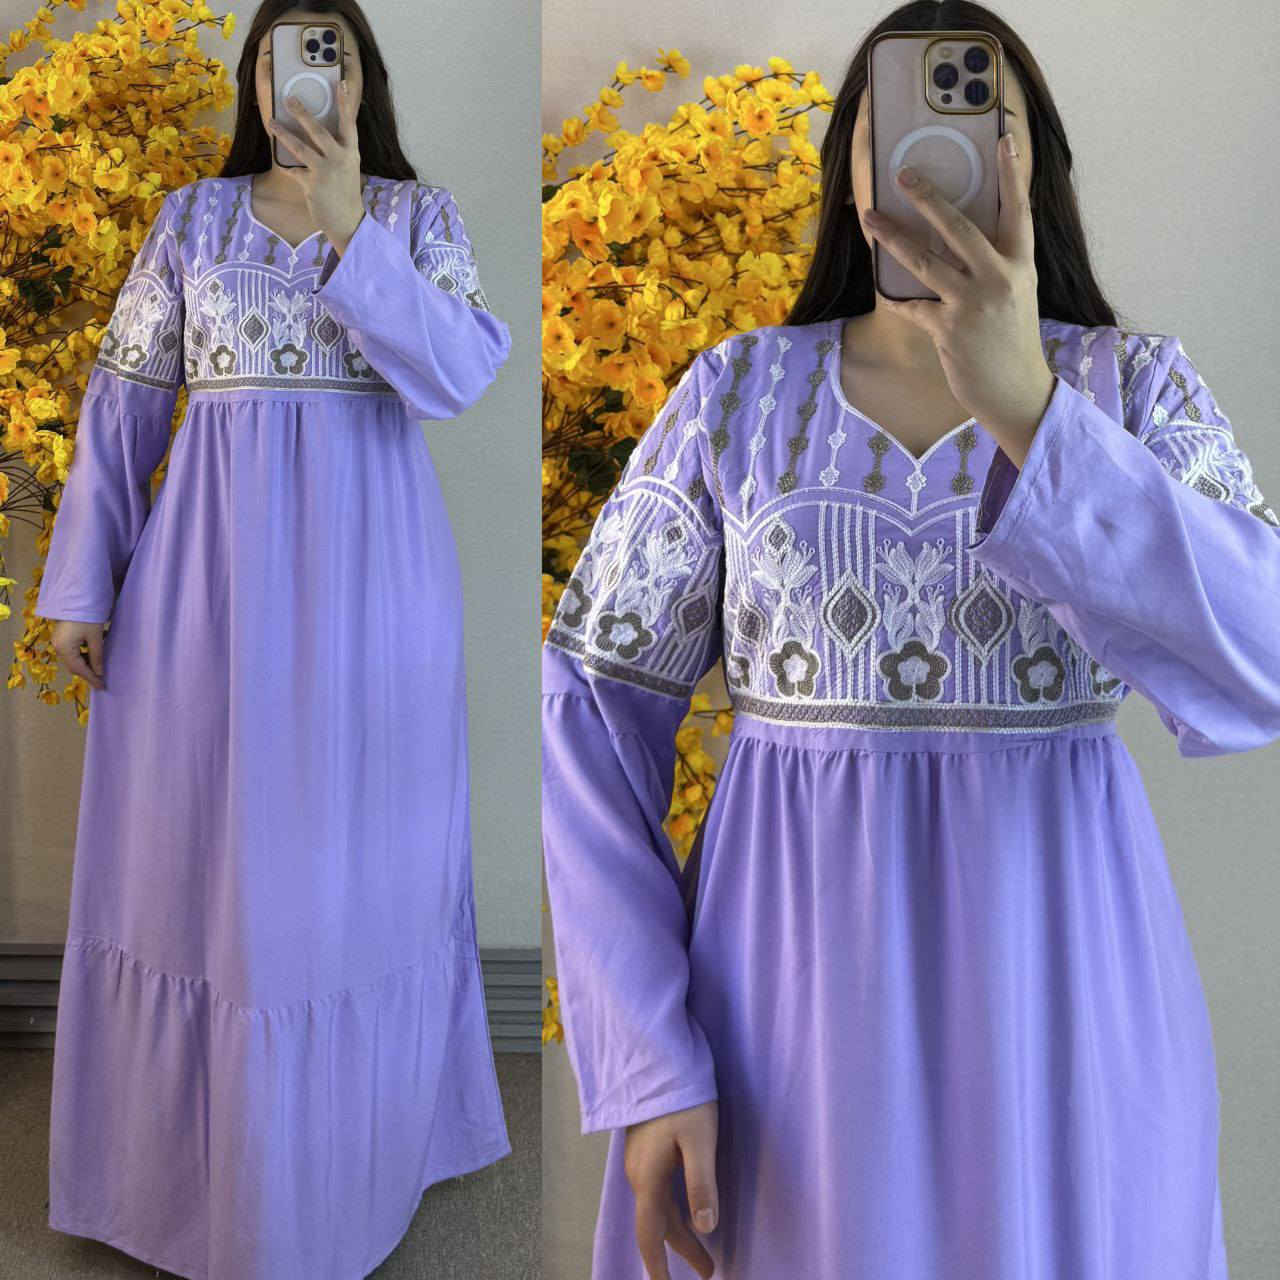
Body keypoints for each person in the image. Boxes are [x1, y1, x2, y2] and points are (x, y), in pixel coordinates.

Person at [540, 3, 1280, 1277]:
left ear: (1031, 164)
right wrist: (647, 1055)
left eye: (981, 125)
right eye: (899, 126)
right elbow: (587, 715)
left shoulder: (1129, 391)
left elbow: (1260, 658)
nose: (936, 160)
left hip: (1063, 1014)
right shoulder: (734, 397)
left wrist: (1030, 411)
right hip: (783, 1026)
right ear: (852, 166)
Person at [36, 5, 512, 1276]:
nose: (305, 72)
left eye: (330, 49)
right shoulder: (190, 220)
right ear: (253, 77)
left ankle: (344, 1171)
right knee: (208, 875)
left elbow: (459, 375)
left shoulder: (416, 218)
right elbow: (124, 407)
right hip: (204, 598)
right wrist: (82, 584)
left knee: (347, 880)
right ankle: (195, 1180)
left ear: (363, 76)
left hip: (373, 603)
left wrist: (351, 220)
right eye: (283, 51)